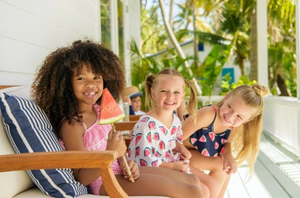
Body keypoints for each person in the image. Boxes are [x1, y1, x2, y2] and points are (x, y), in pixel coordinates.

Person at [32, 39, 204, 198]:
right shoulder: (73, 125)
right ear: (66, 83)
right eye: (81, 78)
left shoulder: (100, 110)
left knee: (194, 182)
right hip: (103, 181)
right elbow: (81, 177)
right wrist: (110, 152)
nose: (91, 84)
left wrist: (127, 162)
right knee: (191, 191)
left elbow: (118, 152)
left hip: (121, 171)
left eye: (97, 77)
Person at [128, 68, 213, 198]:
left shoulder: (176, 120)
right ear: (153, 93)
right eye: (164, 91)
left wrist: (181, 148)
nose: (170, 97)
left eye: (176, 92)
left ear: (183, 95)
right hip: (149, 173)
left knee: (206, 190)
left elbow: (171, 141)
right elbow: (144, 160)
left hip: (168, 166)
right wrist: (174, 166)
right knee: (201, 192)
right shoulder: (145, 124)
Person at [182, 84, 270, 198]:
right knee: (220, 165)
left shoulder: (232, 126)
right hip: (176, 152)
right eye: (230, 107)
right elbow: (174, 139)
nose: (230, 116)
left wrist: (228, 157)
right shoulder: (208, 114)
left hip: (193, 155)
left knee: (225, 167)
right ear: (226, 97)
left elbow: (227, 143)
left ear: (248, 120)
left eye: (239, 116)